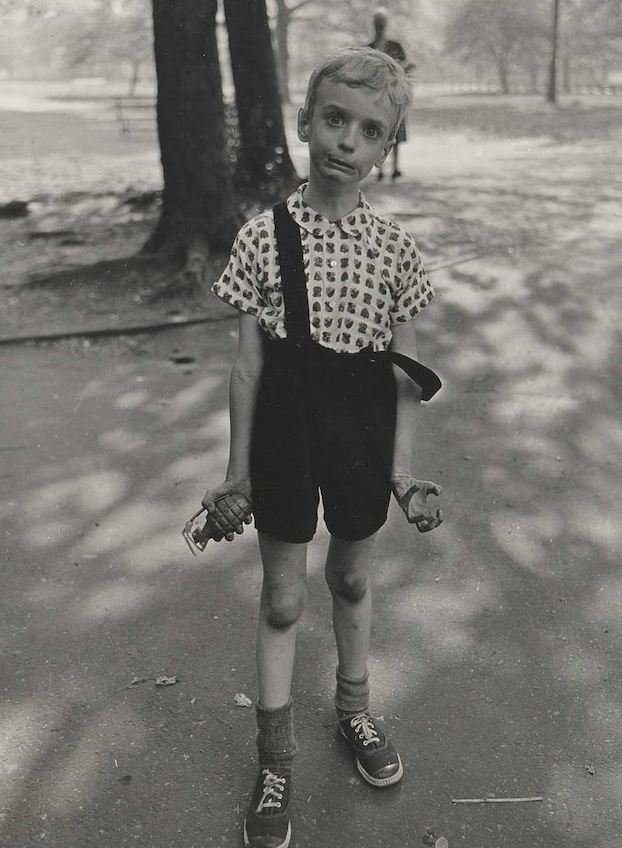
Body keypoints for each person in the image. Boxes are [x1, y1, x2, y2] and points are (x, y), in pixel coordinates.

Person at [202, 46, 444, 848]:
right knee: (282, 599)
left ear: (388, 148)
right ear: (306, 121)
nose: (347, 140)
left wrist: (404, 473)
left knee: (348, 578)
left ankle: (354, 713)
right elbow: (246, 368)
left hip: (360, 436)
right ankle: (275, 759)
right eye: (334, 119)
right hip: (283, 434)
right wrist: (235, 474)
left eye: (370, 130)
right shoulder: (261, 238)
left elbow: (407, 376)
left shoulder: (399, 254)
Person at [367, 8, 414, 181]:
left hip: (394, 96)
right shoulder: (368, 48)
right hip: (375, 98)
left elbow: (405, 68)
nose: (379, 26)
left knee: (395, 133)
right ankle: (380, 169)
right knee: (379, 132)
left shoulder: (395, 46)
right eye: (377, 23)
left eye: (381, 23)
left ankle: (395, 168)